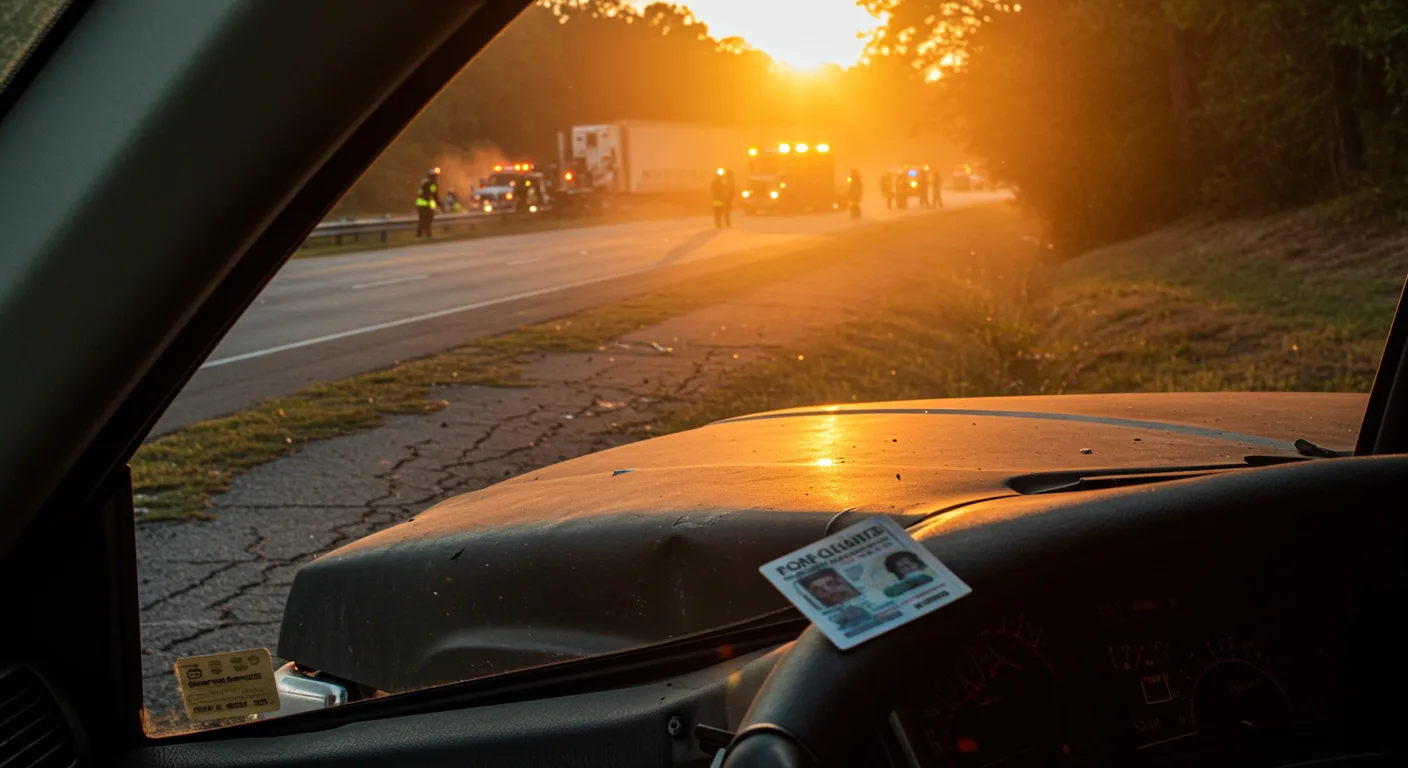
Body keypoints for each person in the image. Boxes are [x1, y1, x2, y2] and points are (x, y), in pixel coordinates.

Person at [415, 167, 441, 238]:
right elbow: (434, 195)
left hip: (420, 203)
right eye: (435, 176)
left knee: (422, 219)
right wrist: (440, 204)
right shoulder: (432, 184)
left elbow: (421, 192)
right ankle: (427, 234)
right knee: (428, 219)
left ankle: (419, 235)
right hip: (426, 204)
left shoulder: (424, 182)